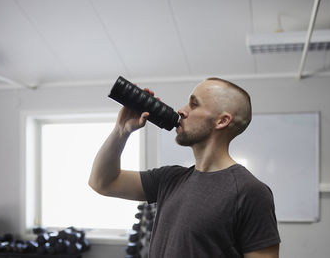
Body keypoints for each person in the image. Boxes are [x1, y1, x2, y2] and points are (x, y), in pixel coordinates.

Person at [89, 77, 281, 258]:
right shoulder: (170, 178)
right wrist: (121, 131)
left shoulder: (251, 192)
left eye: (194, 104)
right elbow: (103, 182)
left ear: (222, 121)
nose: (181, 110)